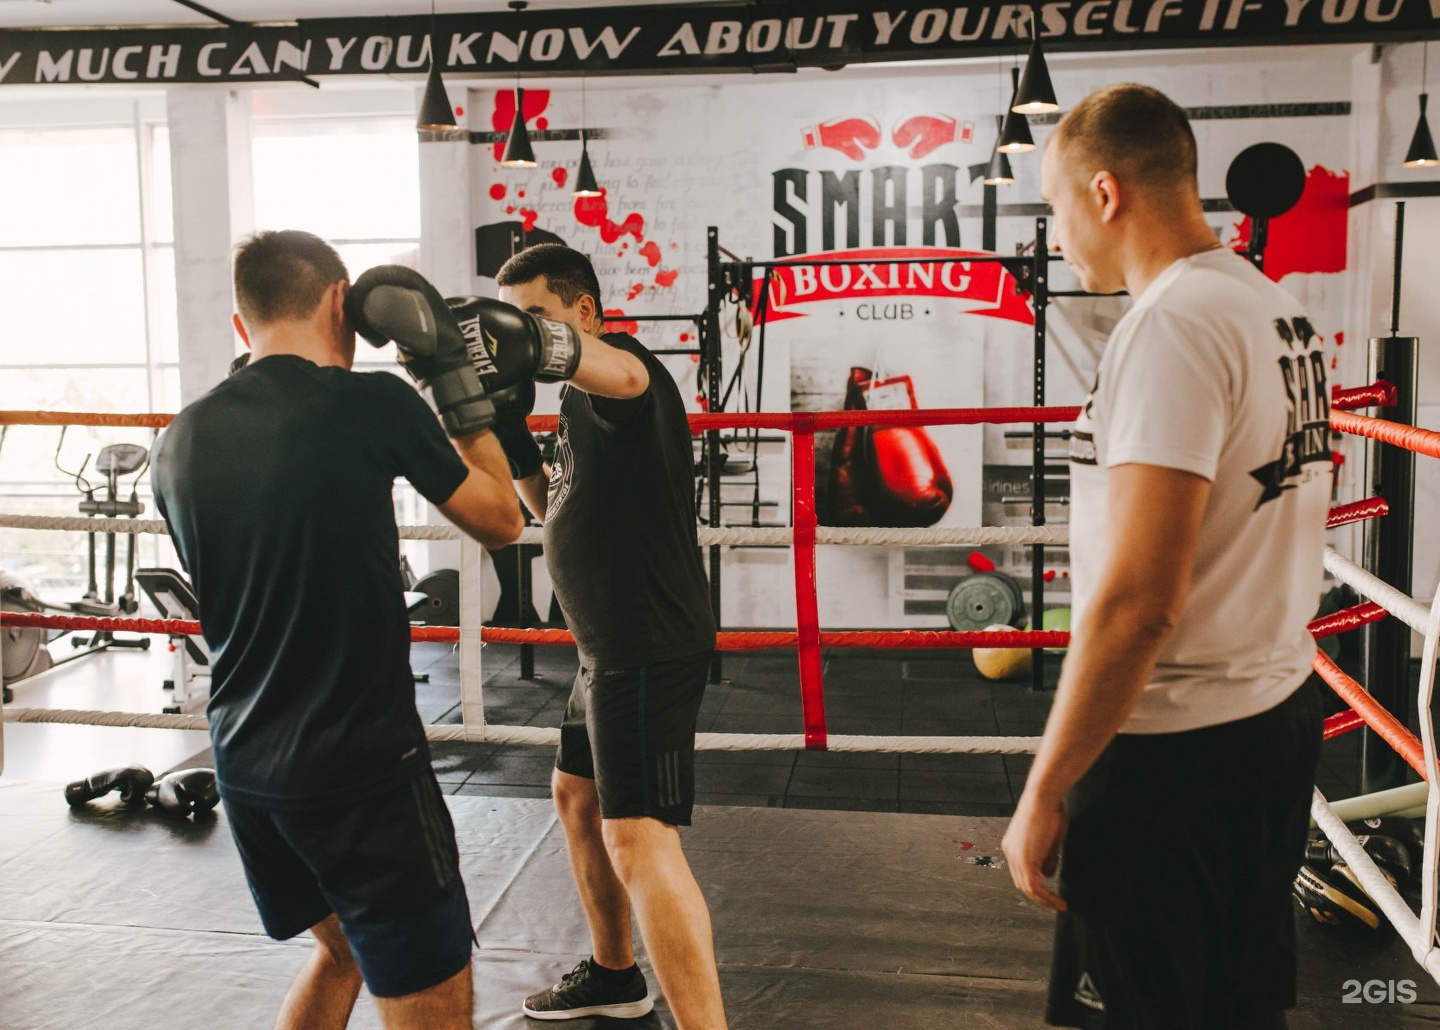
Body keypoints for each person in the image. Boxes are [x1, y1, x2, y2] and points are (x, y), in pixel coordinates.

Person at [1001, 85, 1331, 1029]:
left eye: (1056, 209)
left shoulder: (1171, 326)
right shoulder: (1272, 308)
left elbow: (1140, 599)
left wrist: (1047, 786)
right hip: (1270, 716)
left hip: (1169, 756)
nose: (1056, 238)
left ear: (1105, 194)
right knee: (1238, 1001)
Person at [152, 229, 524, 1030]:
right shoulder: (374, 404)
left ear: (239, 326)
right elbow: (502, 520)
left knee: (341, 951)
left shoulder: (176, 442)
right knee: (431, 991)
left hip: (247, 772)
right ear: (339, 301)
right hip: (361, 775)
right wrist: (450, 383)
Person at [493, 244, 726, 1027]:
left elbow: (620, 374)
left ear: (585, 314)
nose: (518, 338)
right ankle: (616, 972)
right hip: (605, 649)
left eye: (536, 320)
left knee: (640, 841)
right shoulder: (572, 407)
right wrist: (495, 419)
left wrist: (536, 347)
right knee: (576, 798)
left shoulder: (626, 370)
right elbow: (540, 503)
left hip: (644, 643)